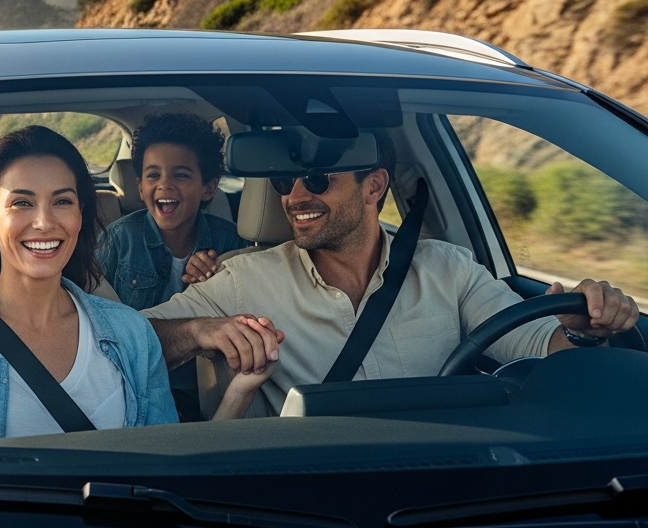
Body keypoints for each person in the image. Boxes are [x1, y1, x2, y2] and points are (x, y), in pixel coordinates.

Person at [142, 131, 641, 417]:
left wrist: (585, 329)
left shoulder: (449, 269)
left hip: (447, 485)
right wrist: (201, 330)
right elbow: (126, 343)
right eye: (283, 182)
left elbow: (539, 345)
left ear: (373, 185)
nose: (294, 197)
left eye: (317, 180)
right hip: (306, 503)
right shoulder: (242, 279)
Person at [0, 126, 268, 447]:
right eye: (21, 203)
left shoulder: (132, 334)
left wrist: (240, 389)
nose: (44, 222)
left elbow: (165, 465)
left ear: (80, 217)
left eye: (62, 201)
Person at [97, 112, 250, 420]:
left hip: (201, 390)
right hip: (132, 384)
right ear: (140, 187)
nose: (165, 185)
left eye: (180, 175)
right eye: (153, 175)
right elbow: (95, 316)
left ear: (208, 188)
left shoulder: (231, 244)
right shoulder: (119, 239)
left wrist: (213, 283)